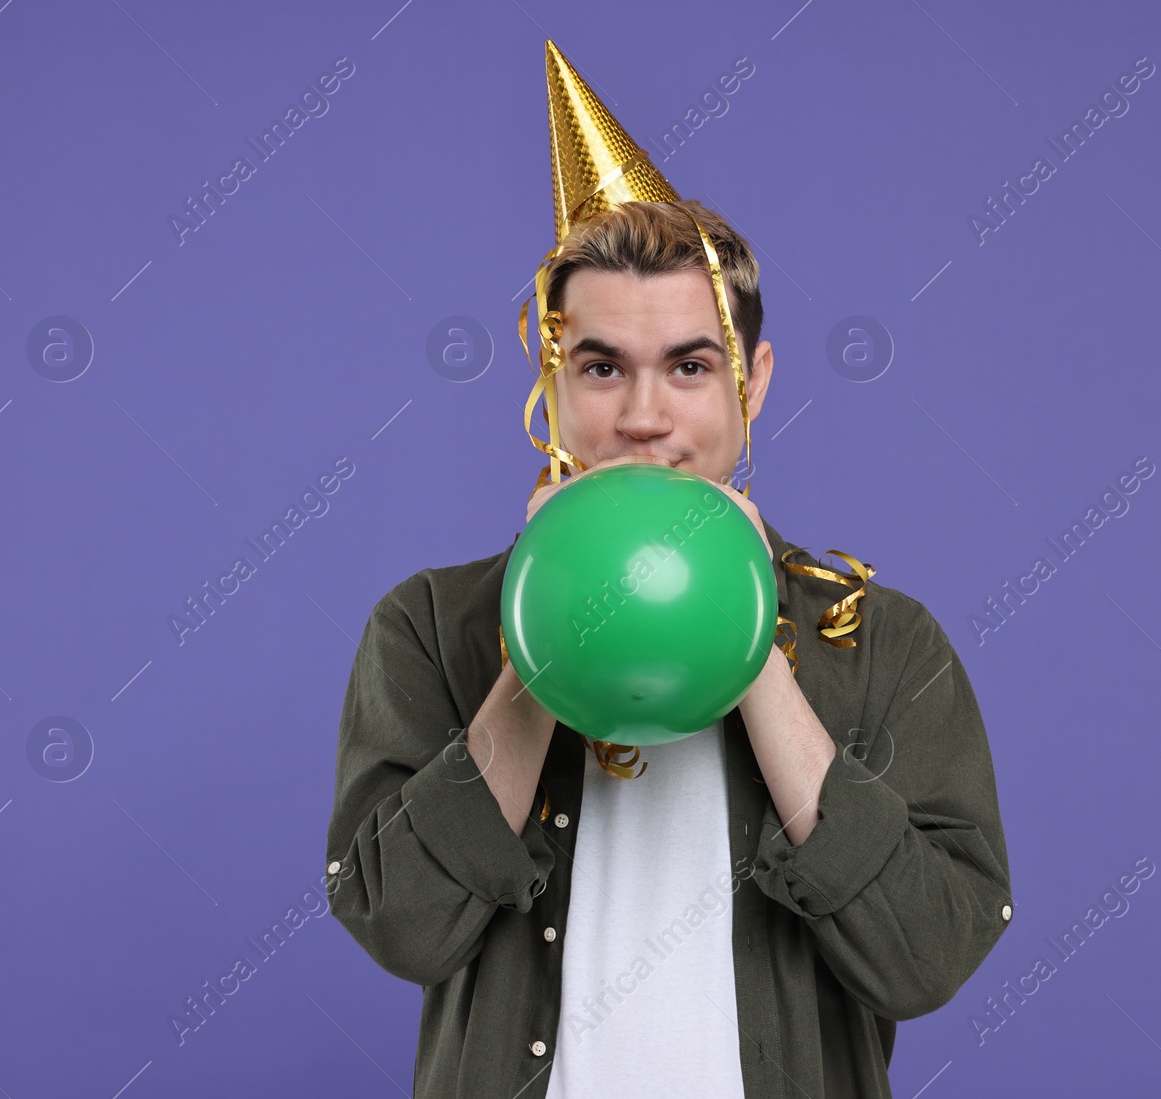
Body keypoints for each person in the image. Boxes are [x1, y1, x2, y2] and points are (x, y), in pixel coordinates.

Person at [324, 40, 1013, 1099]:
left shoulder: (884, 642)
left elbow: (925, 956)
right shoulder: (429, 625)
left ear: (755, 384)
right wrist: (543, 642)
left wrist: (745, 642)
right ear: (551, 388)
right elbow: (401, 924)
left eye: (689, 367)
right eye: (600, 367)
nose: (644, 418)